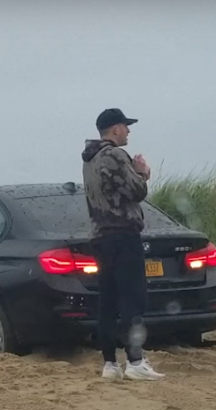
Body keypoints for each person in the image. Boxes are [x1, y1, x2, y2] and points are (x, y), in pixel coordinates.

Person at [82, 107, 166, 381]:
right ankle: (135, 361)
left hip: (100, 236)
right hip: (123, 234)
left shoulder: (89, 159)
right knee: (133, 298)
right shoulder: (115, 155)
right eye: (125, 126)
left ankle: (110, 363)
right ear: (115, 129)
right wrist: (143, 173)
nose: (128, 131)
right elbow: (136, 191)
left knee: (107, 300)